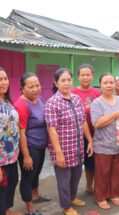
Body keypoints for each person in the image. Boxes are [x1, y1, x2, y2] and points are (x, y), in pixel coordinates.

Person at [44, 68, 93, 215]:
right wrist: (58, 153)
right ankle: (66, 206)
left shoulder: (76, 99)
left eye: (69, 80)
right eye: (63, 80)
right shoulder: (52, 103)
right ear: (56, 83)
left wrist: (89, 140)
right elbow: (51, 129)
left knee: (76, 175)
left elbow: (83, 122)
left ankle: (72, 198)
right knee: (64, 180)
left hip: (77, 147)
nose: (66, 83)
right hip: (62, 149)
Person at [90, 73, 119, 210]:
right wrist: (114, 115)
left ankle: (114, 194)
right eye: (105, 83)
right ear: (100, 85)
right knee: (103, 173)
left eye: (111, 83)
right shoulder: (97, 103)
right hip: (103, 145)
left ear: (115, 84)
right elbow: (97, 123)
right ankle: (100, 197)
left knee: (117, 172)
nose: (108, 85)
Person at [14, 72, 50, 215]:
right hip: (29, 147)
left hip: (40, 146)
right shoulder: (21, 105)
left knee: (36, 173)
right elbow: (21, 133)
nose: (36, 89)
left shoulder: (39, 99)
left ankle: (36, 195)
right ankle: (29, 206)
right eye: (31, 87)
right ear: (22, 88)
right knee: (28, 176)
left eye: (37, 85)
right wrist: (26, 156)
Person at [71, 64, 100, 194]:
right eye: (82, 75)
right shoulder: (72, 93)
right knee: (75, 164)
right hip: (76, 135)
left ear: (92, 76)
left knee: (91, 164)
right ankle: (72, 191)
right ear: (78, 77)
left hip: (93, 134)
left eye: (88, 75)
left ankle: (89, 186)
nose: (85, 77)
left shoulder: (97, 93)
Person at [0, 67, 22, 215]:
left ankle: (7, 210)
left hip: (12, 154)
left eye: (5, 78)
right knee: (1, 190)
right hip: (1, 159)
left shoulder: (7, 101)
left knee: (12, 183)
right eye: (0, 80)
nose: (4, 82)